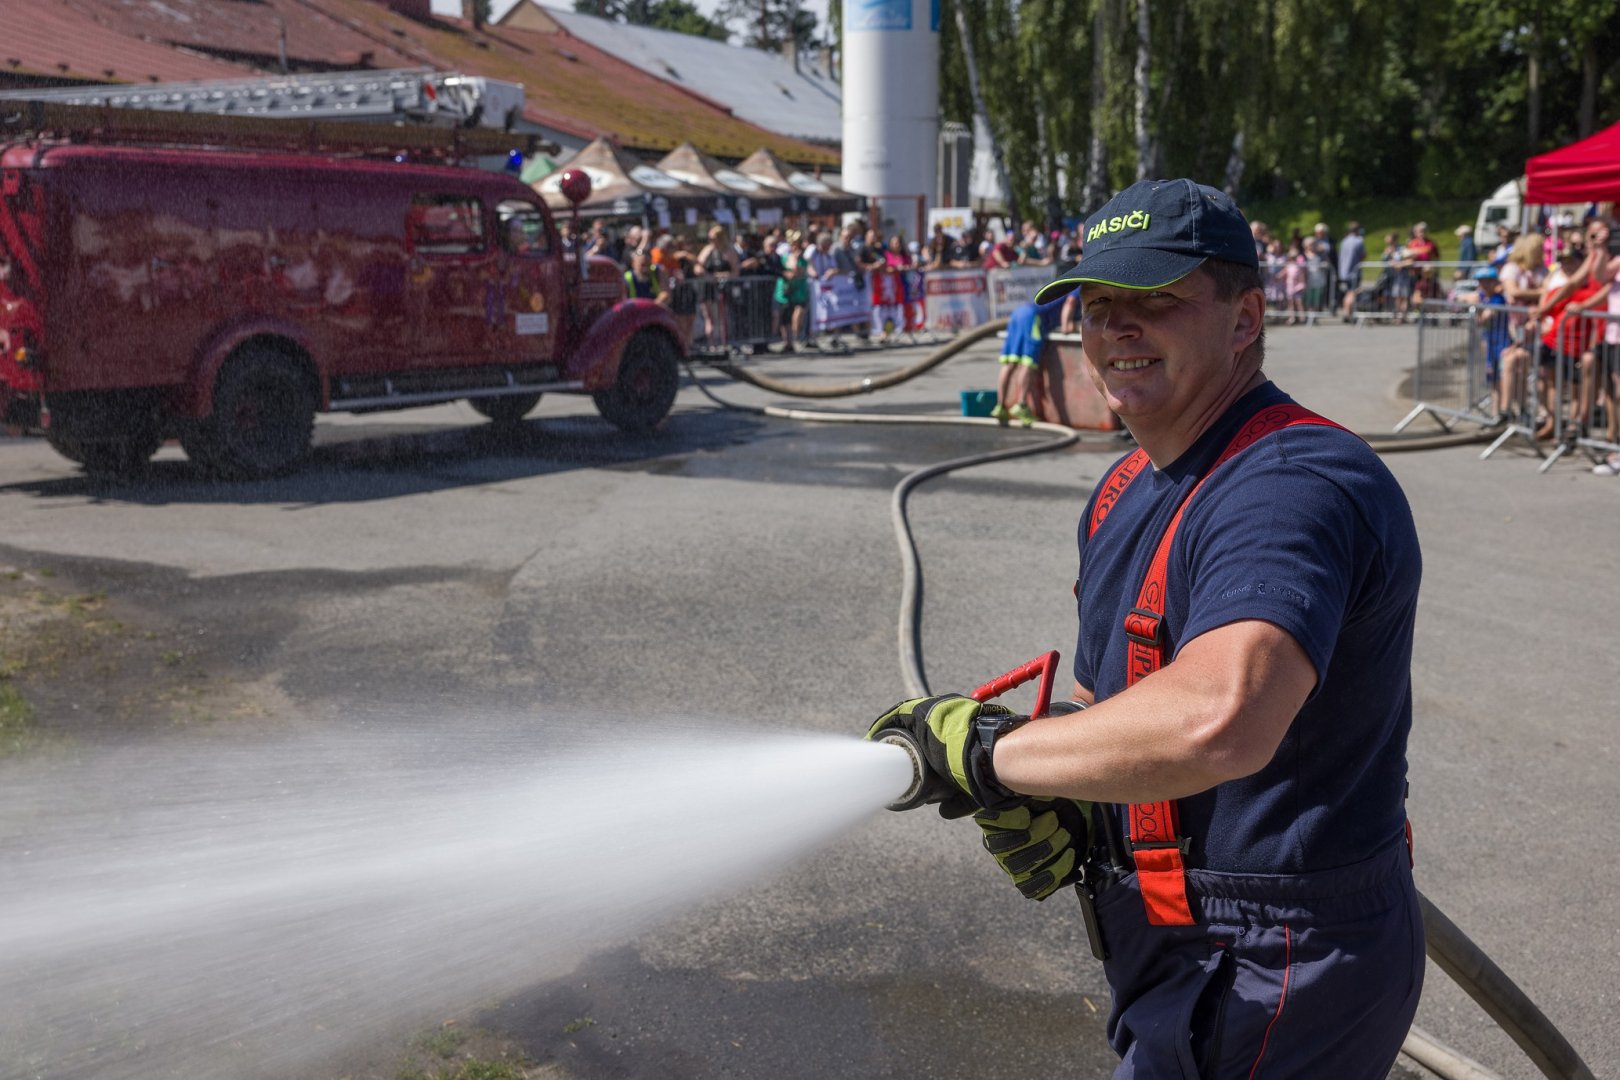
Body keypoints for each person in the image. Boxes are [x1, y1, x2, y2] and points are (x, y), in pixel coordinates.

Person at [865, 177, 1423, 1080]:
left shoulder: (1292, 484)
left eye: (1155, 300)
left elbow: (1219, 717)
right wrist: (1079, 798)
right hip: (1181, 941)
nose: (1116, 327)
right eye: (1095, 306)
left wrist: (990, 755)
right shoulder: (1126, 486)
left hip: (1280, 958)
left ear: (1245, 319)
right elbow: (1115, 703)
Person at [1337, 222, 1366, 320]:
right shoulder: (1358, 241)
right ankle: (1348, 313)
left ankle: (1346, 312)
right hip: (1353, 272)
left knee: (1348, 292)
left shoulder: (1344, 241)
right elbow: (1362, 255)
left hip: (1343, 272)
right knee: (1352, 292)